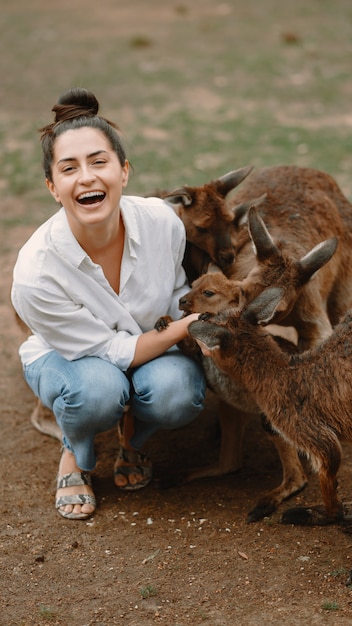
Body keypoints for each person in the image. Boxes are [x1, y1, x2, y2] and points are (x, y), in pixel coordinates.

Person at [11, 87, 207, 520]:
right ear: (52, 187)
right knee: (99, 390)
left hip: (148, 343)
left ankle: (132, 439)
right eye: (69, 169)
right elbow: (112, 353)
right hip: (72, 360)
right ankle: (76, 452)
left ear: (124, 171)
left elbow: (175, 297)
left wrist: (189, 317)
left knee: (179, 394)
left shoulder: (162, 222)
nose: (87, 178)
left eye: (99, 162)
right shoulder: (36, 273)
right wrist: (190, 325)